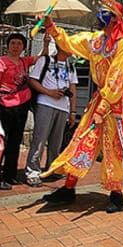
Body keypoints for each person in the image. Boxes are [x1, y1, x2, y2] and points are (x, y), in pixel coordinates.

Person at [41, 0, 123, 212]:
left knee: (111, 146)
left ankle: (116, 193)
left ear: (114, 19)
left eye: (103, 12)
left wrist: (104, 104)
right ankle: (68, 188)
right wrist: (51, 27)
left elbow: (118, 76)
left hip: (114, 101)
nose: (99, 16)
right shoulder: (96, 40)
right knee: (81, 139)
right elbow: (71, 44)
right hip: (99, 98)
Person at [0, 32, 49, 191]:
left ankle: (10, 175)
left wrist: (46, 43)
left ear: (23, 47)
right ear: (8, 45)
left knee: (15, 142)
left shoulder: (24, 61)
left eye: (19, 44)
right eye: (13, 43)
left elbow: (42, 57)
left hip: (21, 106)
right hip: (4, 106)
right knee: (1, 142)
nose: (15, 46)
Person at [25, 45, 78, 187]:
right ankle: (33, 172)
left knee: (56, 141)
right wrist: (49, 92)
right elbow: (32, 80)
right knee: (39, 139)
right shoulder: (45, 60)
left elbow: (72, 88)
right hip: (45, 104)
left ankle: (52, 168)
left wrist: (73, 111)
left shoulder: (70, 65)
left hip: (63, 107)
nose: (71, 49)